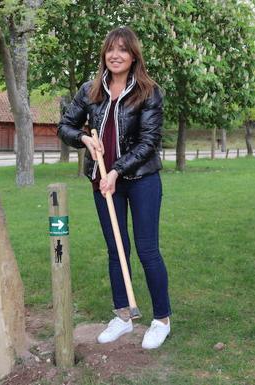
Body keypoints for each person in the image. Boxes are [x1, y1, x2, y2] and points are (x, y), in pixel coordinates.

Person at [57, 27, 171, 350]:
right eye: (110, 49)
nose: (115, 55)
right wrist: (83, 138)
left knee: (147, 250)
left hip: (141, 180)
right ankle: (123, 316)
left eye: (122, 49)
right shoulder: (91, 90)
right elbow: (64, 126)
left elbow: (149, 143)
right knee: (115, 249)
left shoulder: (149, 92)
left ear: (134, 55)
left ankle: (161, 320)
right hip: (104, 182)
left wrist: (118, 171)